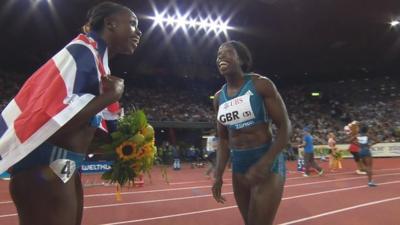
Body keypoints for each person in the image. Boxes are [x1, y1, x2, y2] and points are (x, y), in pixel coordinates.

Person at [3, 2, 142, 225]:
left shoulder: (97, 63)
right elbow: (50, 125)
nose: (139, 32)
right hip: (44, 168)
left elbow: (79, 132)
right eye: (133, 24)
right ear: (111, 24)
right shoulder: (81, 53)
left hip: (63, 166)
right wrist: (110, 96)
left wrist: (127, 145)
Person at [211, 41, 291, 225]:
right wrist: (218, 175)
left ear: (241, 59)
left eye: (227, 53)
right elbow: (223, 140)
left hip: (266, 162)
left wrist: (266, 161)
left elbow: (285, 126)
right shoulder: (218, 98)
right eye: (218, 55)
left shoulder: (261, 85)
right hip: (239, 166)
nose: (220, 57)